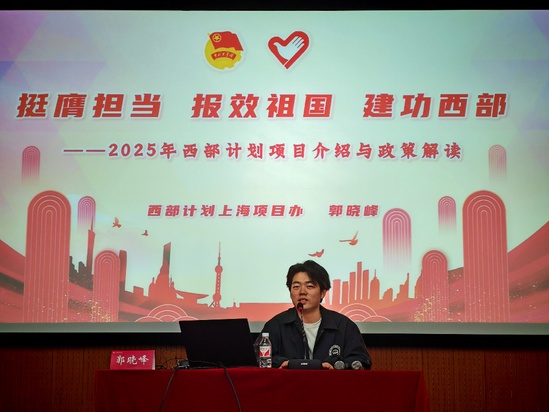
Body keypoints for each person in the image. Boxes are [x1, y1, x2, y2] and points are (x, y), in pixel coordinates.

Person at [261, 260, 372, 369]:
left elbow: (362, 360)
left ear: (323, 293)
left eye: (309, 286)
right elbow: (259, 358)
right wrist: (285, 363)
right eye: (296, 287)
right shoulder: (275, 325)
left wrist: (335, 364)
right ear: (290, 293)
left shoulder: (344, 326)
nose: (302, 292)